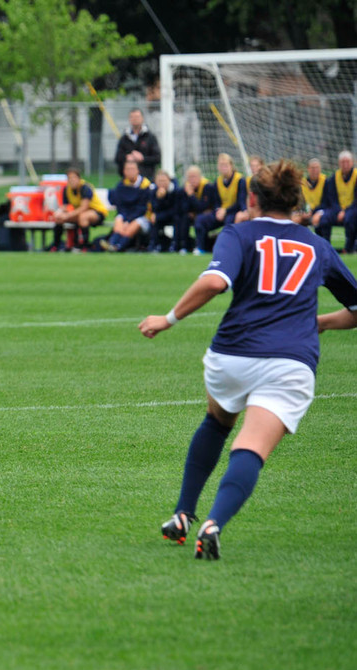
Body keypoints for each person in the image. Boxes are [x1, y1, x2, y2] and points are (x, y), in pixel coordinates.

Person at [138, 160, 357, 560]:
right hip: (290, 362)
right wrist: (320, 323)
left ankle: (183, 513)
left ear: (252, 198)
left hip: (232, 357)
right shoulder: (319, 246)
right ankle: (213, 522)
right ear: (296, 202)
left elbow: (215, 282)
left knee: (217, 422)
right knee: (251, 447)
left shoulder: (239, 233)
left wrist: (168, 319)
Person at [193, 153, 246, 255]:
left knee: (229, 221)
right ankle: (201, 247)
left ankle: (227, 248)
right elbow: (216, 201)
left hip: (234, 211)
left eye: (226, 165)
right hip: (221, 212)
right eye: (221, 165)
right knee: (200, 220)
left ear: (231, 166)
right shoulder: (218, 181)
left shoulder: (240, 180)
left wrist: (225, 211)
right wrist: (218, 210)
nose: (223, 168)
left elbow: (241, 202)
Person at [100, 158, 152, 252]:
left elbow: (142, 208)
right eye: (128, 169)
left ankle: (118, 247)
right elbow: (121, 206)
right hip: (126, 215)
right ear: (124, 171)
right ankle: (112, 244)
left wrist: (128, 221)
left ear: (138, 171)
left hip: (142, 216)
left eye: (132, 169)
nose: (130, 172)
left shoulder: (145, 185)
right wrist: (124, 219)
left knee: (133, 225)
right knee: (118, 220)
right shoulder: (121, 185)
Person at [51, 167, 107, 251]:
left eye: (74, 178)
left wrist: (68, 215)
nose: (72, 180)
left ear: (79, 178)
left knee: (83, 217)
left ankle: (84, 246)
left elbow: (84, 207)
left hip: (97, 212)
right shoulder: (66, 189)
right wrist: (60, 213)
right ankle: (56, 245)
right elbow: (65, 206)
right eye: (69, 178)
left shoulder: (85, 188)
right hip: (79, 213)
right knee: (59, 218)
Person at [317, 150, 357, 253]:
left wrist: (346, 211)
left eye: (347, 161)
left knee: (350, 218)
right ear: (339, 163)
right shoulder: (334, 177)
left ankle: (349, 248)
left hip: (353, 208)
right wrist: (339, 210)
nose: (345, 164)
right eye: (343, 162)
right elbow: (331, 198)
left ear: (352, 162)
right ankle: (325, 247)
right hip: (337, 209)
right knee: (324, 218)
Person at [114, 108, 161, 178]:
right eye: (132, 117)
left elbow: (157, 158)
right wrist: (127, 158)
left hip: (147, 178)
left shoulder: (150, 137)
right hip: (128, 179)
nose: (134, 119)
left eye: (137, 117)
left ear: (142, 118)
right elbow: (117, 158)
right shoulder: (124, 138)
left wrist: (143, 159)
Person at [173, 165, 210, 253]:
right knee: (181, 218)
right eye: (189, 177)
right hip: (191, 215)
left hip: (204, 215)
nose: (192, 179)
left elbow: (202, 207)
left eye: (194, 176)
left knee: (200, 219)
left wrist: (191, 195)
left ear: (200, 177)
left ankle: (200, 247)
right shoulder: (184, 189)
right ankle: (182, 246)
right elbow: (183, 208)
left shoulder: (207, 187)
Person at [147, 169, 179, 252]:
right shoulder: (153, 190)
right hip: (160, 216)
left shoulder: (175, 190)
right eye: (159, 181)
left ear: (169, 180)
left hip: (173, 215)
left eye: (164, 181)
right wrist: (159, 199)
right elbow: (153, 208)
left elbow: (175, 209)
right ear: (156, 181)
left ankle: (175, 245)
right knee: (153, 220)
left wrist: (158, 216)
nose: (162, 183)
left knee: (178, 219)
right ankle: (154, 245)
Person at [294, 158, 326, 229]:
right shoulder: (302, 183)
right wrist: (302, 212)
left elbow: (327, 202)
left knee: (323, 219)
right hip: (305, 212)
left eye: (317, 168)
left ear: (320, 169)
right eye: (312, 168)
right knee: (295, 219)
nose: (315, 170)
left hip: (320, 211)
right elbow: (299, 201)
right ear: (308, 169)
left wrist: (314, 212)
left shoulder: (326, 181)